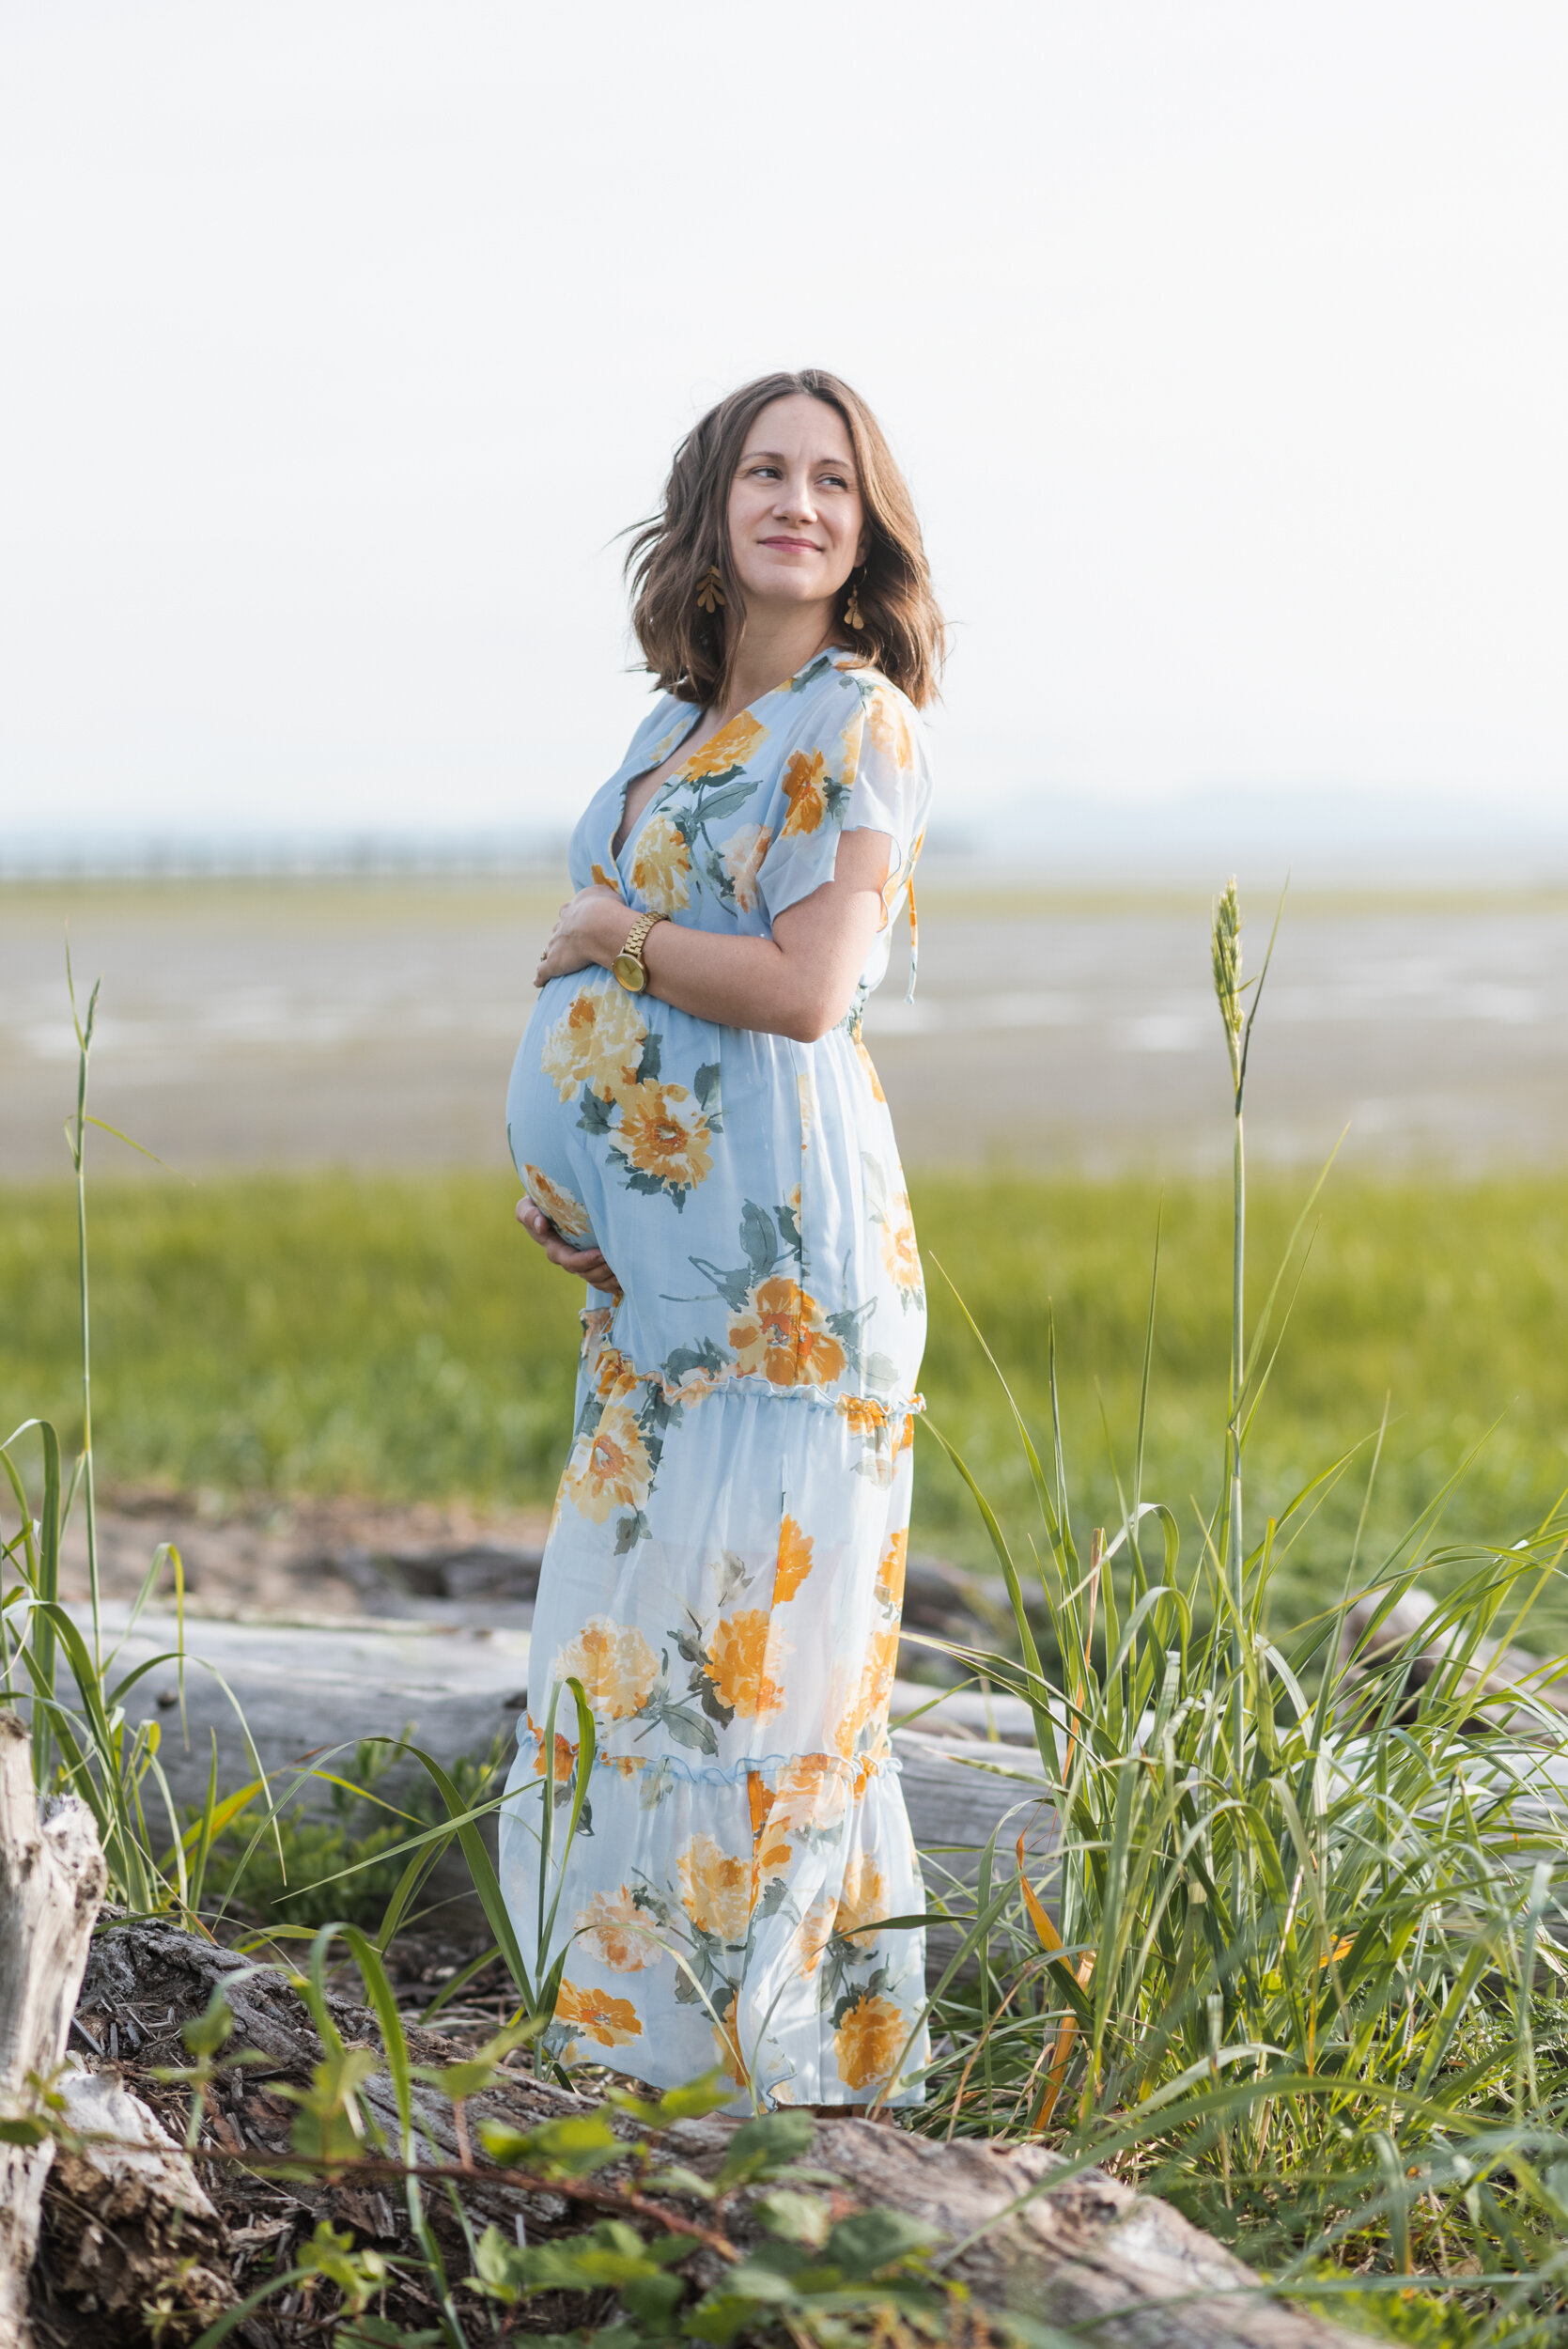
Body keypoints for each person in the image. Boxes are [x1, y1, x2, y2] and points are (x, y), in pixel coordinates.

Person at [498, 368, 944, 2113]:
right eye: (767, 469)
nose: (799, 502)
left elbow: (809, 989)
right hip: (664, 1298)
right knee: (627, 1659)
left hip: (786, 1302)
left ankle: (782, 2096)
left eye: (834, 480)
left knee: (766, 1685)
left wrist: (608, 934)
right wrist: (580, 1183)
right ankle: (638, 2064)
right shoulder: (668, 729)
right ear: (713, 507)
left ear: (865, 527)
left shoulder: (860, 722)